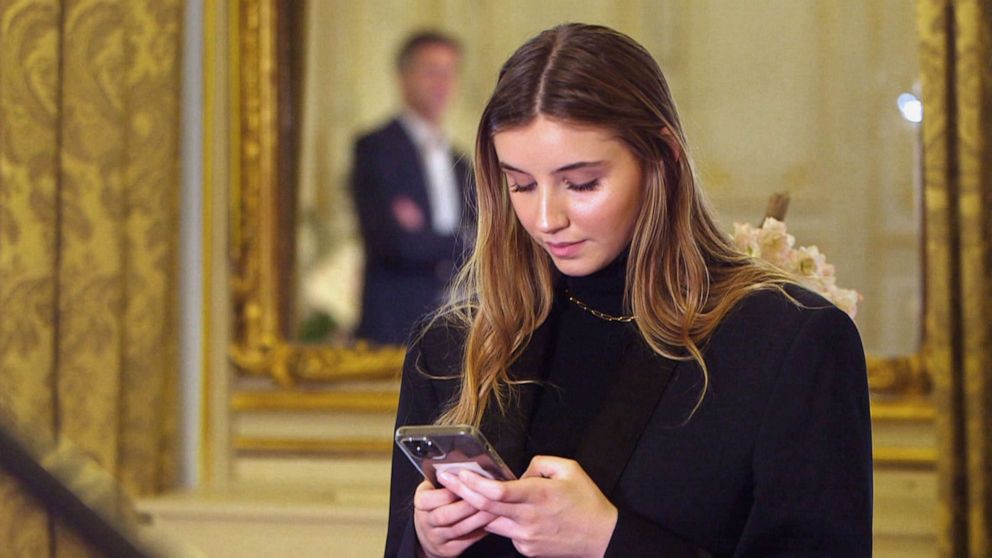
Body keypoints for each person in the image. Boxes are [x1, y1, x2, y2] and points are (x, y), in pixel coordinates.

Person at [385, 23, 872, 558]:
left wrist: (608, 542)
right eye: (520, 184)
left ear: (662, 156)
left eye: (582, 183)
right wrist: (425, 544)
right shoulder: (453, 345)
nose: (546, 219)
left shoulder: (789, 341)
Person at [352, 31, 474, 345]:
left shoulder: (460, 162)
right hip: (396, 322)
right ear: (404, 76)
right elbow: (397, 243)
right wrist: (460, 242)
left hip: (454, 317)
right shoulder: (375, 149)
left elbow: (481, 238)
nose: (442, 81)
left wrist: (435, 238)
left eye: (450, 71)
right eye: (431, 70)